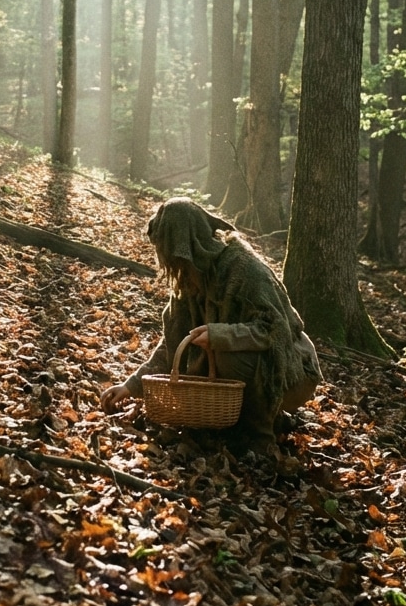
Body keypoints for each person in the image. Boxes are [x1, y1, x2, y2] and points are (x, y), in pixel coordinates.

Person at [100, 196, 322, 457]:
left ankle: (261, 437)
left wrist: (221, 335)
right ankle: (257, 421)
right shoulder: (188, 282)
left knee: (224, 353)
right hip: (253, 369)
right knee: (213, 357)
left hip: (292, 374)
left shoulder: (245, 270)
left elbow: (276, 331)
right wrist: (131, 385)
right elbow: (173, 345)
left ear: (188, 246)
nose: (172, 266)